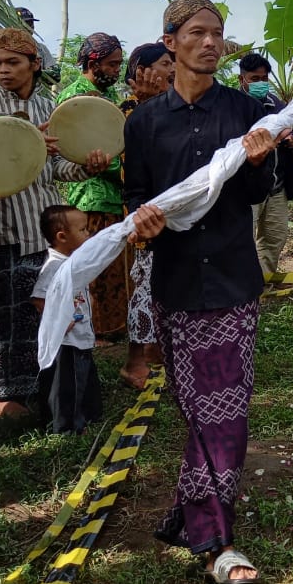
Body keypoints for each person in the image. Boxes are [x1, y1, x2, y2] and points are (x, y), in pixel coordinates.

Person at [124, 0, 280, 584]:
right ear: (170, 41)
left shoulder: (244, 112)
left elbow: (257, 192)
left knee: (225, 411)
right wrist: (142, 220)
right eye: (197, 32)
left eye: (217, 32)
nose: (211, 42)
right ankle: (191, 515)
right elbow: (135, 197)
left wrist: (261, 160)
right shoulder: (142, 122)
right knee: (198, 410)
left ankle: (217, 540)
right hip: (176, 280)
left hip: (234, 279)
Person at [0, 27, 109, 418]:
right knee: (5, 313)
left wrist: (87, 166)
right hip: (4, 221)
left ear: (34, 64)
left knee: (47, 310)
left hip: (45, 225)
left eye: (13, 62)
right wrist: (23, 140)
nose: (3, 71)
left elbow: (58, 168)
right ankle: (4, 395)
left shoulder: (50, 109)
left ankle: (44, 386)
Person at [56, 32, 130, 342]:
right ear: (94, 62)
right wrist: (123, 172)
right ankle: (101, 331)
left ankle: (113, 327)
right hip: (90, 195)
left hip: (113, 195)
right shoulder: (76, 98)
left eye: (119, 65)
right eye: (113, 65)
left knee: (115, 267)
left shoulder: (109, 98)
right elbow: (76, 149)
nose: (117, 71)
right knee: (98, 268)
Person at [118, 42, 175, 390]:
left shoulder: (173, 106)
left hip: (171, 208)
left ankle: (158, 351)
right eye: (166, 63)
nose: (172, 69)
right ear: (141, 71)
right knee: (145, 284)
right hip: (145, 211)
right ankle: (134, 361)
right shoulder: (126, 111)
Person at [31, 205, 102, 434]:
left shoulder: (71, 261)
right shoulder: (54, 266)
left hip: (80, 336)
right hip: (66, 341)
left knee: (84, 378)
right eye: (82, 230)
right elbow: (39, 298)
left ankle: (88, 415)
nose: (88, 234)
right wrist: (59, 320)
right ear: (62, 237)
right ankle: (66, 427)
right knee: (66, 385)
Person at [239, 53, 293, 274]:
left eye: (264, 78)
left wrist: (292, 140)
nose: (260, 83)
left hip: (277, 185)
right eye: (254, 79)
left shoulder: (276, 104)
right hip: (246, 188)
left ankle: (263, 281)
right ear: (242, 80)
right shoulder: (234, 108)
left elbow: (292, 131)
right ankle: (245, 282)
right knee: (243, 237)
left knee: (275, 236)